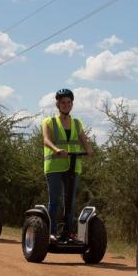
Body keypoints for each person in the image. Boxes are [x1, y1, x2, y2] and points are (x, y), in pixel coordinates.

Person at [42, 88, 94, 242]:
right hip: (54, 167)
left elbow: (84, 141)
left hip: (73, 166)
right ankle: (51, 232)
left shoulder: (77, 123)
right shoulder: (49, 122)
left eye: (68, 102)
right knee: (55, 200)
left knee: (70, 201)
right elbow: (46, 139)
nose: (66, 105)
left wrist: (89, 150)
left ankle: (68, 233)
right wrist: (57, 149)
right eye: (63, 102)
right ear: (57, 104)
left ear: (72, 104)